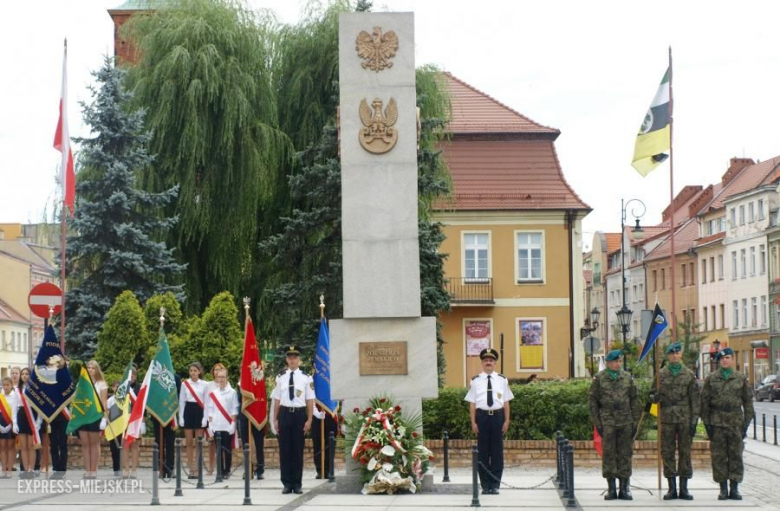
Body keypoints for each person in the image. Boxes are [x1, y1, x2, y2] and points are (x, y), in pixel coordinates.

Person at [701, 347, 754, 500]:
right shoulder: (711, 379)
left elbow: (748, 403)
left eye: (727, 358)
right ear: (719, 361)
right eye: (722, 358)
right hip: (717, 422)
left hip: (735, 422)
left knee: (736, 455)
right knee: (719, 456)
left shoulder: (740, 378)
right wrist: (707, 424)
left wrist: (746, 424)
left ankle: (735, 488)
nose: (724, 360)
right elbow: (704, 402)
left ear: (732, 359)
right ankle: (723, 489)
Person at [651, 342, 700, 500]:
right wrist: (654, 397)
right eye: (672, 353)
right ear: (668, 356)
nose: (674, 356)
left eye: (677, 353)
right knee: (667, 452)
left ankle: (684, 488)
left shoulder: (689, 374)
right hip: (667, 418)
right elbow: (651, 394)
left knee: (685, 452)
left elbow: (695, 400)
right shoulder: (661, 374)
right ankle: (671, 487)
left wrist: (694, 420)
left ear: (681, 354)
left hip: (684, 417)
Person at [588, 349, 639, 500]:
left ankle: (624, 488)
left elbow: (634, 400)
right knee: (609, 454)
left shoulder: (627, 378)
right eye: (615, 361)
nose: (618, 364)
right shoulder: (599, 378)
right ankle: (611, 488)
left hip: (625, 421)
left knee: (625, 454)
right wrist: (597, 422)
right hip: (607, 422)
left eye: (619, 361)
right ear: (608, 363)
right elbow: (593, 401)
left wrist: (635, 421)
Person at [465, 348, 513, 495]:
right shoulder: (475, 381)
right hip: (482, 418)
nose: (488, 363)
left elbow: (506, 402)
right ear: (482, 363)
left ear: (495, 363)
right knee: (483, 452)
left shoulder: (502, 380)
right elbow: (472, 404)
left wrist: (506, 421)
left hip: (497, 417)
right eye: (486, 360)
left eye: (491, 360)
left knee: (497, 452)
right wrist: (473, 422)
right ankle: (485, 485)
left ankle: (495, 484)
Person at [272, 345, 314, 495]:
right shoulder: (280, 377)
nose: (292, 360)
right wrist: (275, 419)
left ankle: (297, 484)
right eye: (290, 357)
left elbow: (310, 399)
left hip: (299, 415)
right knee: (285, 450)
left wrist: (309, 419)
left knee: (297, 450)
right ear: (286, 359)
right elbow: (277, 399)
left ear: (299, 359)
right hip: (284, 414)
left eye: (295, 357)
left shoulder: (306, 377)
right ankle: (286, 483)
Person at [206, 367, 238, 478]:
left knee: (227, 449)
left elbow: (234, 409)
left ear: (227, 378)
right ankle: (219, 471)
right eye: (219, 377)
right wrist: (210, 424)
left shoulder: (232, 392)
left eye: (223, 377)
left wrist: (233, 424)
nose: (221, 379)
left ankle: (226, 470)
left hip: (227, 425)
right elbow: (210, 410)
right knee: (218, 449)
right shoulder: (213, 393)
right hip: (216, 425)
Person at [80, 360, 108, 479]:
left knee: (94, 443)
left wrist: (104, 418)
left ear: (97, 370)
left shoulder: (102, 384)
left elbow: (104, 403)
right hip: (83, 416)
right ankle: (87, 470)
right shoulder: (82, 383)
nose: (90, 370)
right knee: (85, 444)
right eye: (89, 368)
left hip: (95, 416)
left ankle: (94, 470)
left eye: (93, 368)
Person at [179, 362, 208, 479]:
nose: (193, 373)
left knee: (198, 442)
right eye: (191, 370)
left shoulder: (205, 384)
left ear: (199, 372)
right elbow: (181, 401)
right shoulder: (185, 384)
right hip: (188, 410)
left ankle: (197, 468)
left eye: (195, 370)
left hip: (199, 410)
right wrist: (181, 417)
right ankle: (191, 468)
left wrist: (205, 418)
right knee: (189, 442)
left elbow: (207, 402)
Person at [14, 368, 42, 479]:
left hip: (32, 415)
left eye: (27, 374)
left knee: (31, 445)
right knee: (23, 446)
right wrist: (15, 422)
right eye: (23, 374)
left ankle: (31, 469)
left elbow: (40, 406)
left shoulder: (35, 389)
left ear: (31, 376)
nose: (25, 376)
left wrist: (39, 421)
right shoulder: (17, 390)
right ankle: (25, 470)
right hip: (22, 415)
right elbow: (14, 407)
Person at [151, 373, 180, 478]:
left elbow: (178, 395)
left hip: (170, 414)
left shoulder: (175, 377)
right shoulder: (153, 377)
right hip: (157, 414)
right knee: (159, 442)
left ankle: (170, 468)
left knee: (170, 442)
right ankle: (161, 468)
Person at [237, 385, 265, 480]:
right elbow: (239, 400)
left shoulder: (259, 382)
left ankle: (260, 469)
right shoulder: (241, 384)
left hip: (257, 414)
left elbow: (262, 398)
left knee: (259, 443)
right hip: (244, 415)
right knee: (246, 444)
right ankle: (248, 469)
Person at [205, 362, 226, 475]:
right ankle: (211, 467)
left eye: (219, 369)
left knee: (223, 443)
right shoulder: (209, 385)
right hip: (212, 417)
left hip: (223, 418)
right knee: (212, 443)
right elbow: (206, 402)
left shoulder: (227, 385)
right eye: (215, 370)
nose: (217, 372)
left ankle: (223, 468)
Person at [311, 403, 338, 479]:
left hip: (331, 414)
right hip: (317, 414)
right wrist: (316, 413)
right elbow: (311, 399)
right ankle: (320, 470)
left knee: (330, 443)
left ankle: (329, 470)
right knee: (317, 443)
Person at [0, 377, 18, 478]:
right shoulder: (0, 396)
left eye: (7, 385)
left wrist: (12, 424)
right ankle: (3, 470)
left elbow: (16, 411)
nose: (5, 387)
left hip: (11, 423)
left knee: (11, 447)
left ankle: (10, 470)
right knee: (2, 447)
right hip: (1, 423)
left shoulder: (15, 396)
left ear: (11, 385)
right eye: (4, 385)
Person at [106, 380, 123, 477]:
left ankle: (121, 467)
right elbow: (107, 413)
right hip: (113, 427)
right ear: (112, 388)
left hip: (122, 426)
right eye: (115, 386)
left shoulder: (124, 399)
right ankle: (116, 468)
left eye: (119, 386)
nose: (117, 388)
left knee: (122, 448)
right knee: (114, 449)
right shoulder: (110, 400)